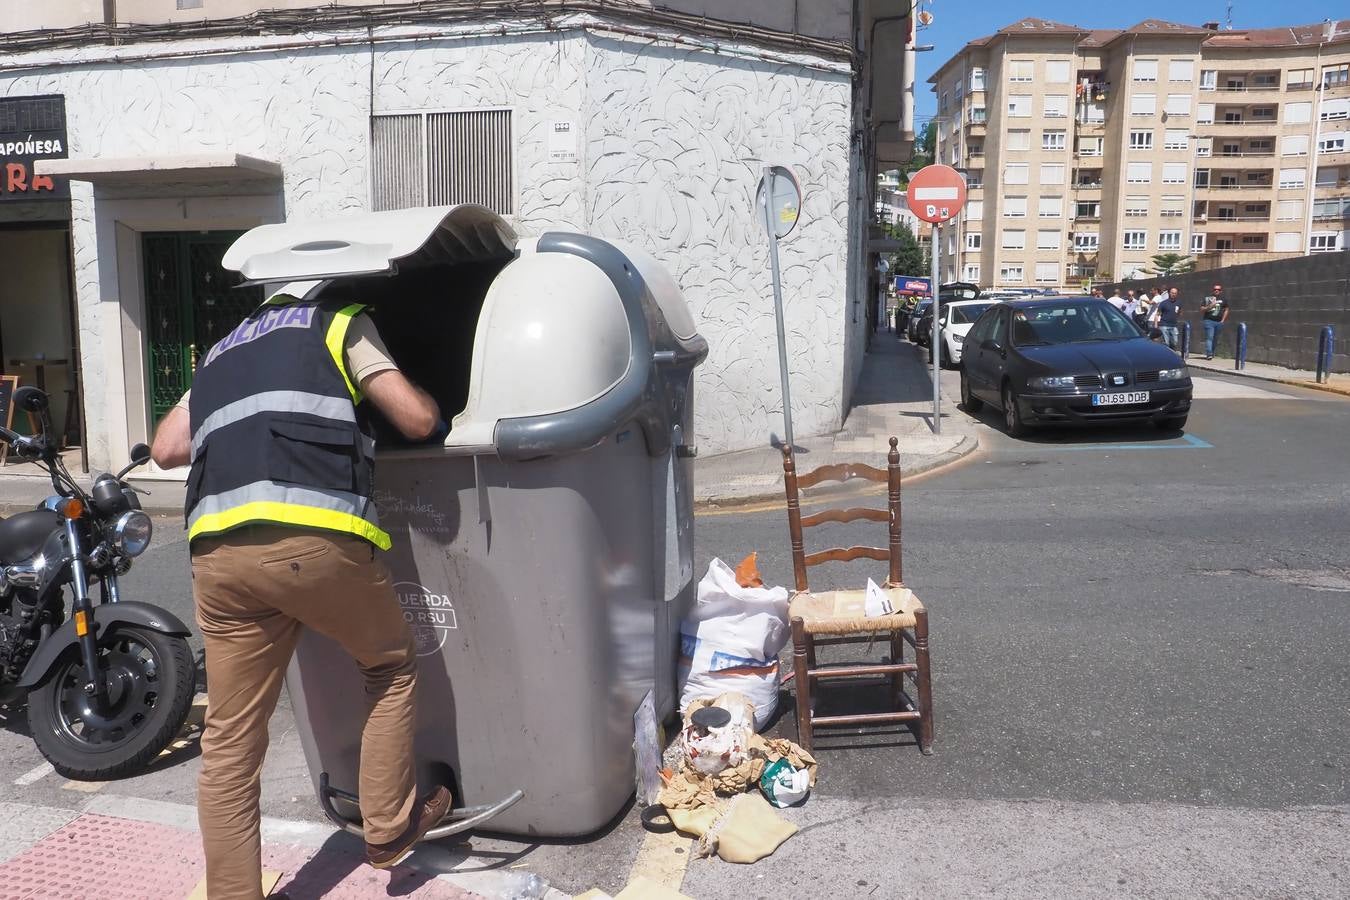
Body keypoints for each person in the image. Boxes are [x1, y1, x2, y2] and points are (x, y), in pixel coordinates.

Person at [151, 285, 452, 900]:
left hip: (219, 555)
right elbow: (416, 419)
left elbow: (164, 449)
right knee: (390, 666)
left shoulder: (218, 354)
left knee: (231, 742)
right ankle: (390, 829)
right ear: (319, 289)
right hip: (316, 542)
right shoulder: (339, 324)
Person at [1200, 282, 1229, 359]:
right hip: (1208, 321)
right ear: (1213, 290)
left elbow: (1226, 310)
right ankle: (1209, 354)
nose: (1216, 291)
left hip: (1218, 322)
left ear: (1221, 291)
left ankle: (1212, 353)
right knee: (1210, 337)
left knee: (1215, 338)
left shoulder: (1224, 300)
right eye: (1215, 289)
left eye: (1218, 289)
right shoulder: (1207, 299)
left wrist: (1223, 320)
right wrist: (1210, 306)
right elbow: (1202, 309)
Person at [1154, 286, 1183, 351]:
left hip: (1174, 325)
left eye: (1175, 293)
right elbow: (1157, 314)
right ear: (1169, 293)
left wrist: (1179, 313)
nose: (1173, 294)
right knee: (1166, 343)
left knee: (1175, 342)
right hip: (1164, 325)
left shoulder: (1179, 303)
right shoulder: (1163, 303)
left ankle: (1172, 353)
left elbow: (1180, 313)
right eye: (1172, 293)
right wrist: (1156, 325)